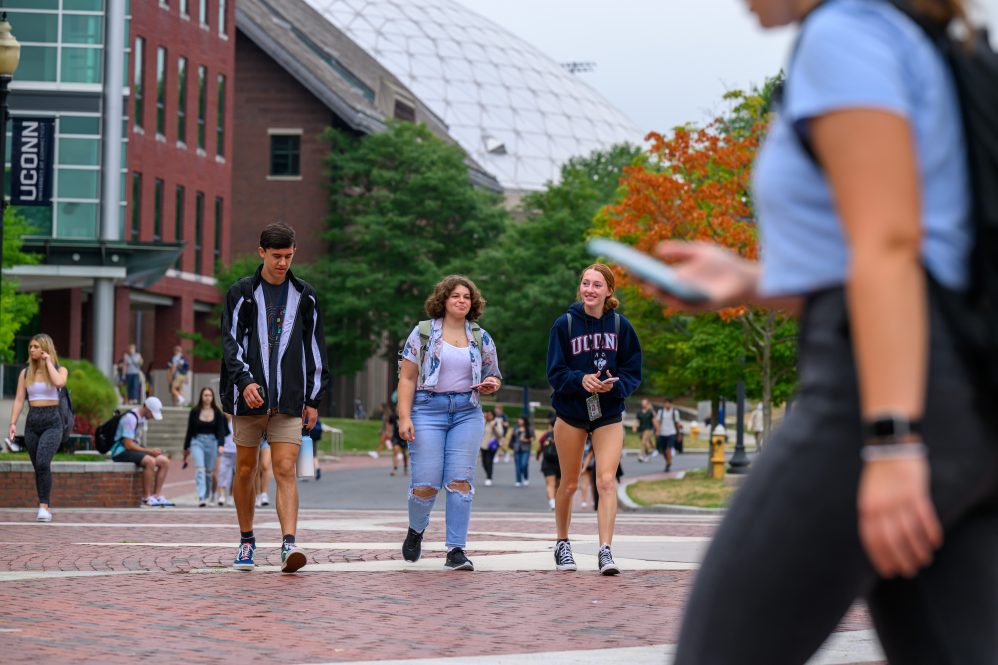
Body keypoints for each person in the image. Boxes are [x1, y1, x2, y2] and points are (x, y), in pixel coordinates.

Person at [629, 2, 998, 662]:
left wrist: (890, 442)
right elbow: (918, 257)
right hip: (968, 401)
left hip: (877, 400)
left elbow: (889, 245)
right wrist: (747, 280)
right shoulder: (921, 37)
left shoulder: (845, 33)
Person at [220, 221, 329, 573]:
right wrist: (244, 381)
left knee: (284, 469)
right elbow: (231, 343)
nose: (283, 263)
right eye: (277, 256)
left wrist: (313, 398)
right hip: (248, 398)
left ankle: (288, 545)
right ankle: (247, 540)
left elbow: (315, 348)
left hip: (290, 399)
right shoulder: (242, 292)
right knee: (246, 470)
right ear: (261, 252)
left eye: (289, 256)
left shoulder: (306, 295)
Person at [397, 275, 502, 571]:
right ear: (443, 299)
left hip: (467, 412)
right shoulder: (422, 333)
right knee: (426, 484)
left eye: (467, 297)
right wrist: (404, 417)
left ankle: (456, 550)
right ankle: (416, 530)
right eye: (455, 296)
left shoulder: (481, 336)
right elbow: (407, 377)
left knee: (460, 483)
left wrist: (492, 383)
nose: (461, 301)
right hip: (428, 411)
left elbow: (493, 373)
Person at [547, 263, 642, 575]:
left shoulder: (620, 326)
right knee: (570, 483)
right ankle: (563, 542)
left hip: (609, 412)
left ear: (609, 291)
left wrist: (616, 386)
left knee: (605, 480)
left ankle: (605, 549)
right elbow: (555, 372)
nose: (590, 289)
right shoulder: (565, 325)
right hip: (572, 412)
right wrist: (581, 380)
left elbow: (632, 371)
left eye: (597, 285)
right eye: (586, 283)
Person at [7, 334, 70, 522]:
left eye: (36, 346)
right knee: (39, 467)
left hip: (52, 421)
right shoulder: (25, 373)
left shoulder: (60, 369)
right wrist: (12, 423)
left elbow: (59, 382)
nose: (32, 350)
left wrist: (49, 362)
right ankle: (46, 506)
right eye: (31, 347)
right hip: (32, 422)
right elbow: (19, 399)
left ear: (45, 348)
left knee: (43, 462)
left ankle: (43, 507)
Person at [108, 396, 174, 507]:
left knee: (164, 461)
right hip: (120, 452)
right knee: (150, 461)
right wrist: (148, 451)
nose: (152, 417)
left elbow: (135, 443)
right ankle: (146, 497)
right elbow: (128, 445)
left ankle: (157, 495)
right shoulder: (130, 419)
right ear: (146, 408)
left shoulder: (143, 418)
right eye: (152, 414)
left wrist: (150, 451)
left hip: (132, 449)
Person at [182, 387, 227, 507]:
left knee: (209, 472)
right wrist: (186, 448)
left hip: (212, 442)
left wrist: (221, 444)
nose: (207, 398)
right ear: (201, 397)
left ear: (212, 397)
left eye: (209, 395)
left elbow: (221, 430)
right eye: (205, 395)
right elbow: (189, 430)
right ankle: (201, 496)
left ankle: (209, 494)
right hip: (197, 442)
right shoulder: (195, 411)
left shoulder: (217, 412)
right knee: (200, 469)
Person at [537, 417, 560, 510]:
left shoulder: (546, 435)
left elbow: (540, 446)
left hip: (547, 462)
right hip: (559, 463)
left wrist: (538, 455)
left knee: (550, 484)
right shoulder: (564, 434)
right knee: (558, 485)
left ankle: (552, 503)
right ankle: (555, 502)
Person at [656, 397, 681, 472]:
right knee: (663, 451)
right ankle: (668, 461)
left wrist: (678, 434)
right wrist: (658, 431)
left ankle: (668, 464)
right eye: (665, 403)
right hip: (663, 433)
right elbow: (658, 422)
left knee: (668, 450)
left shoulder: (674, 412)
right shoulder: (661, 412)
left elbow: (677, 423)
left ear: (671, 404)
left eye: (668, 403)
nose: (666, 405)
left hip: (671, 433)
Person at [216, 414, 236, 506]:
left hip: (236, 451)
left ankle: (231, 495)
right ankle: (222, 495)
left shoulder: (238, 420)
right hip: (225, 450)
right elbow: (219, 433)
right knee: (222, 472)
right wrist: (220, 445)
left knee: (234, 474)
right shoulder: (222, 420)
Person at [479, 410, 501, 486]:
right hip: (483, 445)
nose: (488, 416)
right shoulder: (484, 422)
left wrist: (494, 427)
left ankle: (489, 477)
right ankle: (488, 474)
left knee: (489, 461)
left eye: (490, 415)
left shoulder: (496, 422)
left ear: (493, 416)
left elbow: (500, 434)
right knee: (484, 463)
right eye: (487, 415)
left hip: (491, 446)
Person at [510, 416, 534, 487]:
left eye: (521, 420)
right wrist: (518, 431)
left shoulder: (529, 428)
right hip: (517, 448)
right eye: (519, 419)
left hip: (525, 448)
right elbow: (512, 435)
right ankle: (518, 480)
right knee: (518, 465)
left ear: (524, 421)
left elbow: (532, 438)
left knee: (524, 464)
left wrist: (526, 440)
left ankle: (525, 478)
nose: (519, 421)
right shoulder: (515, 427)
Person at [387, 404, 409, 477]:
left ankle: (405, 466)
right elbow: (389, 423)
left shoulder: (404, 416)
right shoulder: (393, 416)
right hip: (395, 436)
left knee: (404, 453)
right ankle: (394, 468)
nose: (398, 409)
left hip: (403, 436)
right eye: (397, 407)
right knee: (395, 450)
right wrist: (389, 431)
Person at [633, 398, 658, 462]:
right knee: (647, 442)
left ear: (648, 404)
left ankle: (641, 455)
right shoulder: (639, 412)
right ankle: (654, 449)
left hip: (649, 428)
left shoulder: (650, 412)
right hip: (641, 429)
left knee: (644, 441)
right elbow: (636, 420)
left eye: (645, 403)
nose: (643, 404)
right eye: (642, 403)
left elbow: (655, 420)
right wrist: (634, 427)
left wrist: (657, 429)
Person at [255, 438, 272, 507]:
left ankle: (264, 494)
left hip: (266, 438)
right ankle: (257, 495)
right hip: (254, 437)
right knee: (256, 468)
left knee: (265, 466)